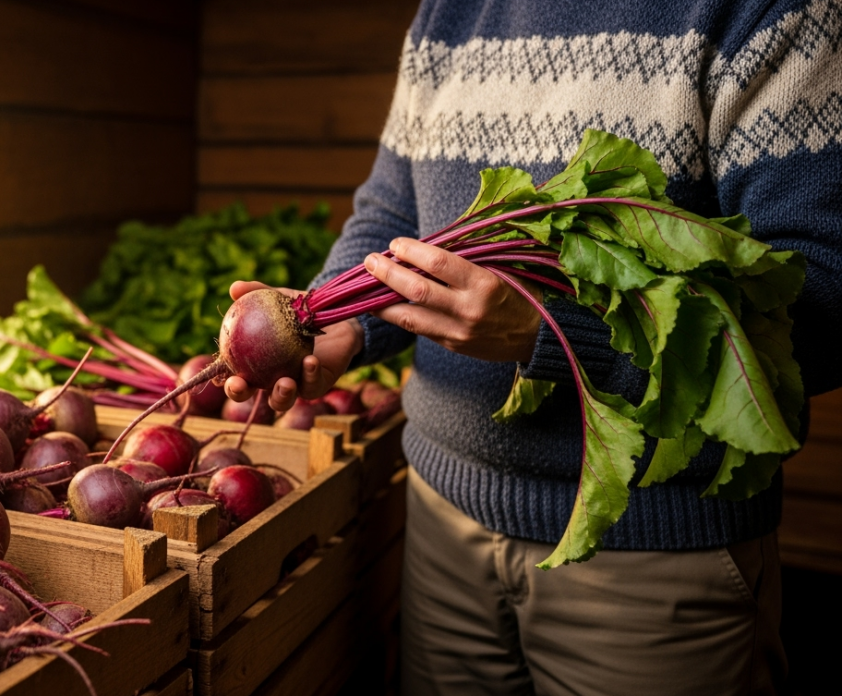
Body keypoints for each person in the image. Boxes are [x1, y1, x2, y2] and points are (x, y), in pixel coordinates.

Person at [224, 1, 842, 693]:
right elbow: (393, 215)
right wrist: (343, 318)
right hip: (440, 520)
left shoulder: (767, 10)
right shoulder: (448, 12)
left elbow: (821, 302)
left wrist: (550, 332)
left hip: (653, 555)